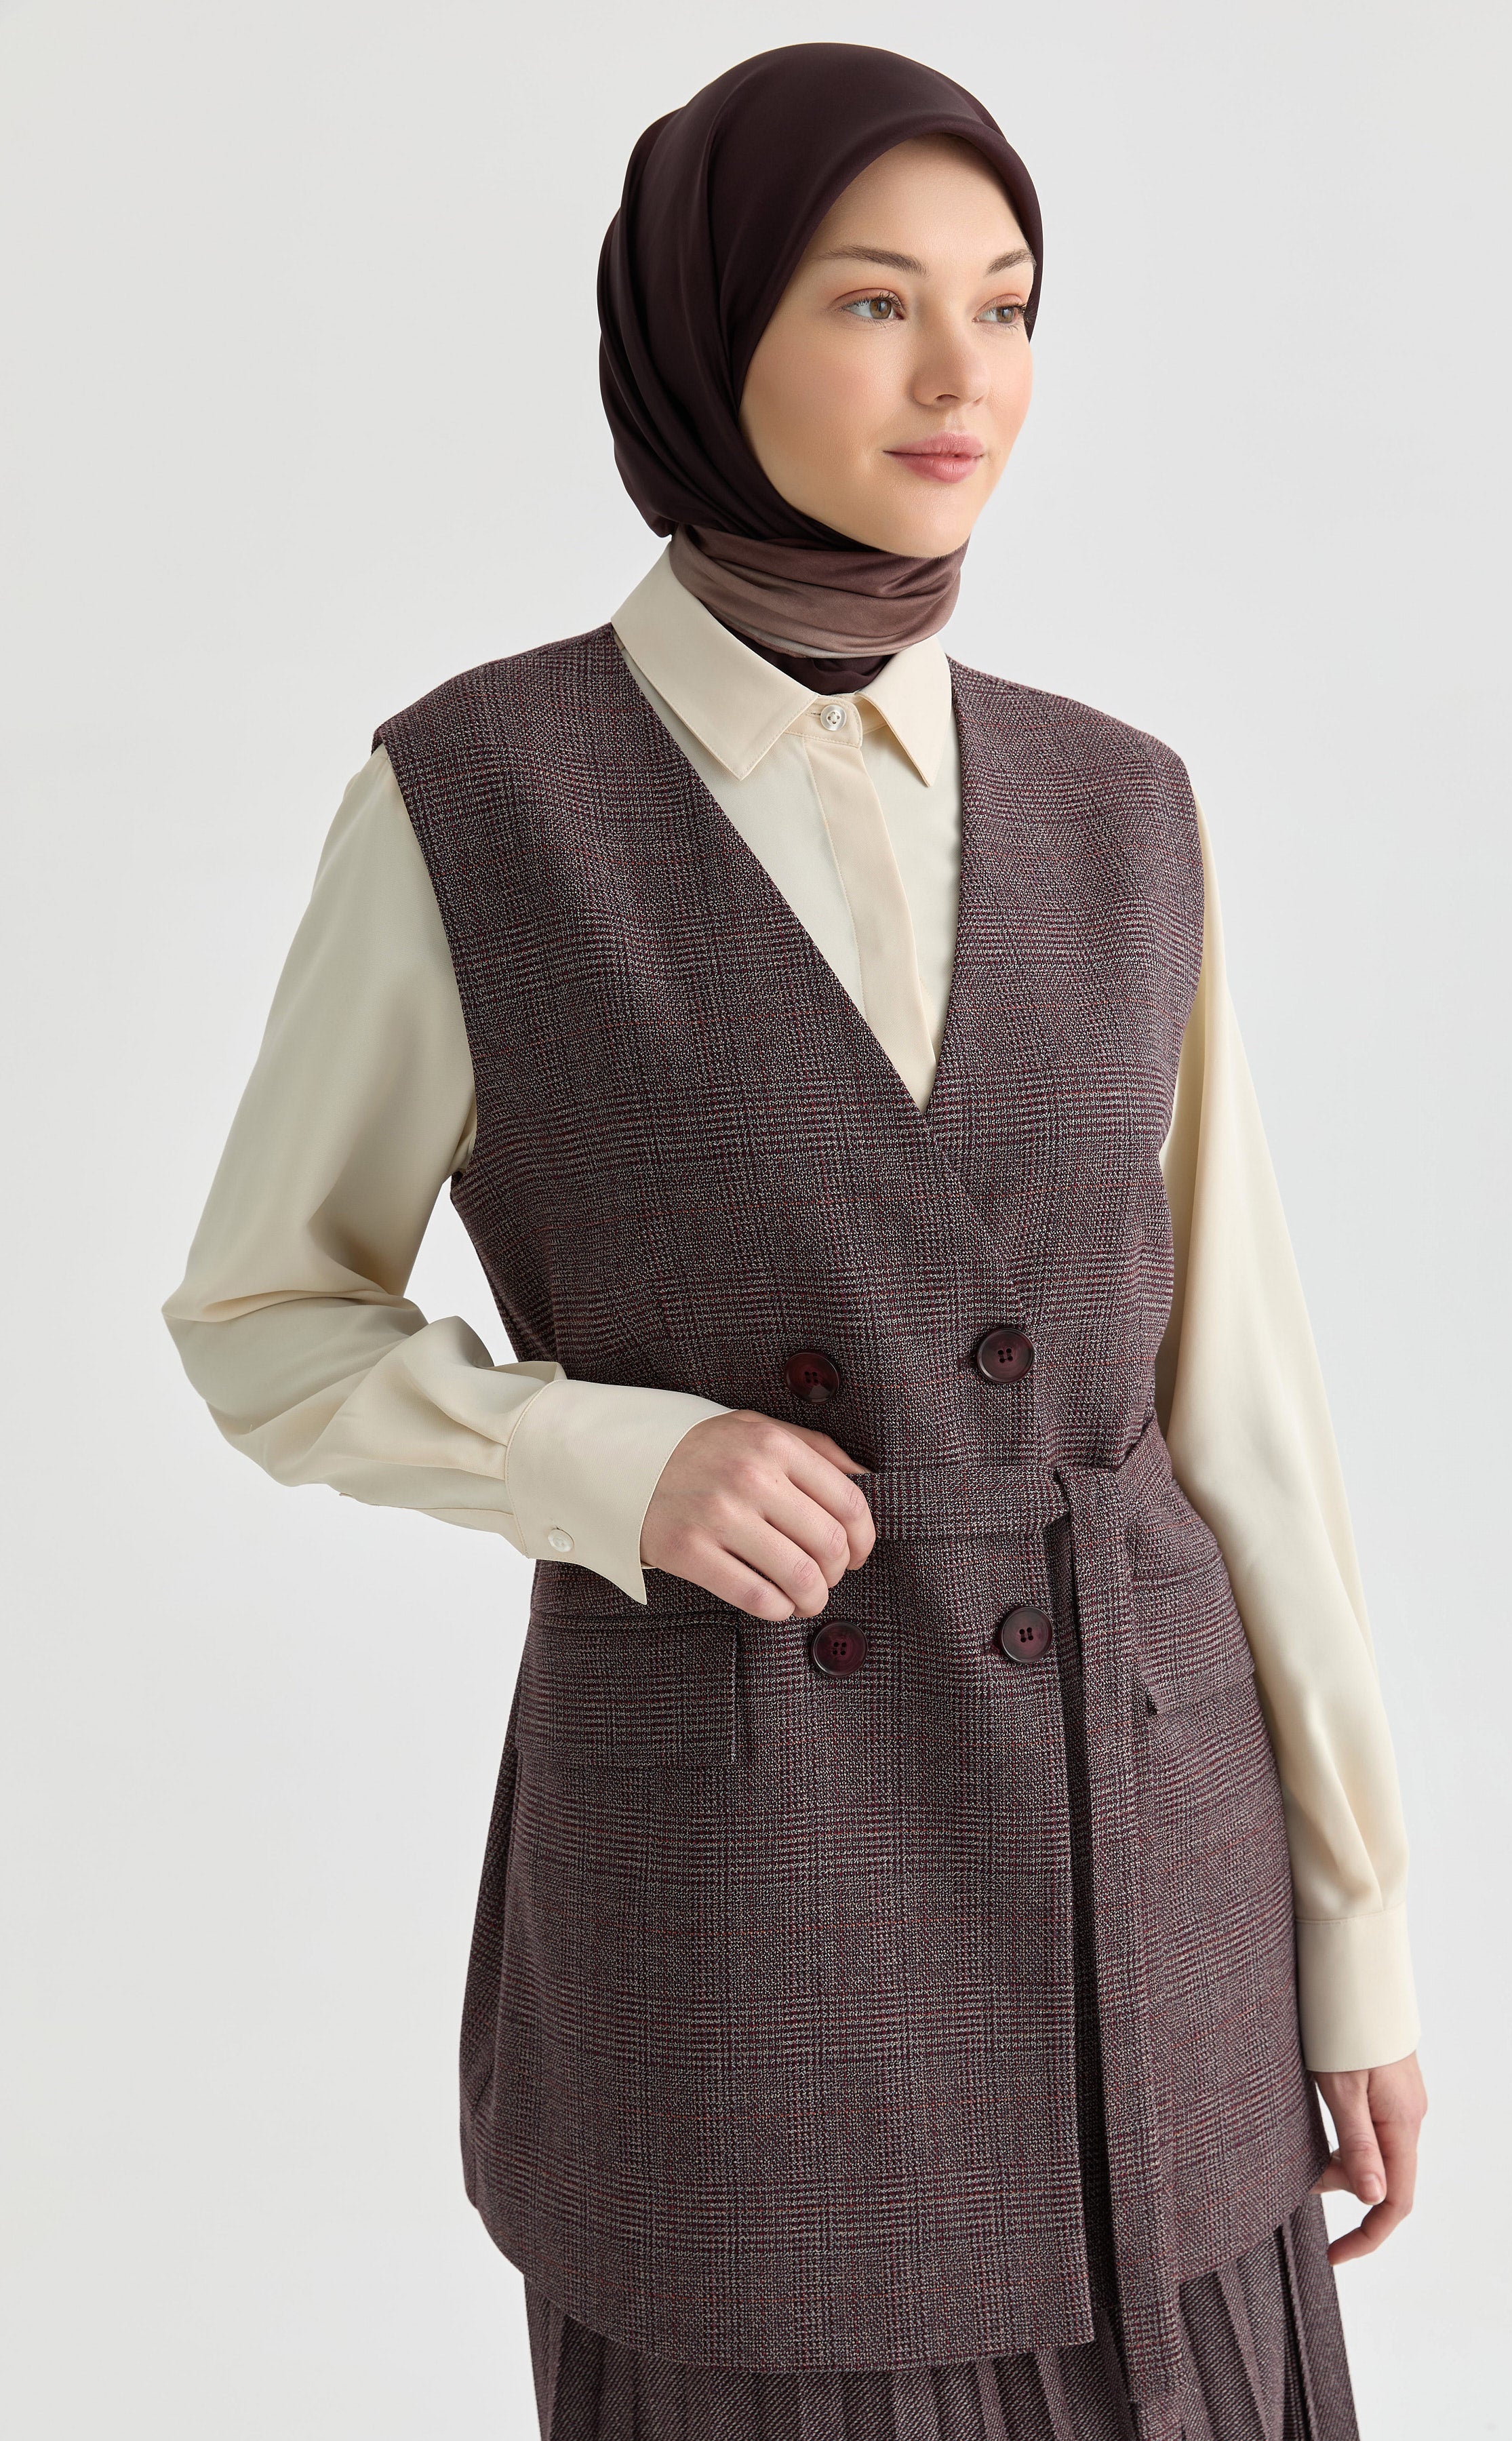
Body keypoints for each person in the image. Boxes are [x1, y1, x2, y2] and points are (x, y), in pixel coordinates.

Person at [164, 42, 1427, 2441]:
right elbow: (261, 1315)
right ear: (705, 330)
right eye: (874, 302)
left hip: (1153, 1894)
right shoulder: (479, 803)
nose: (966, 378)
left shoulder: (1126, 805)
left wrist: (1354, 1930)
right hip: (751, 1935)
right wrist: (598, 1461)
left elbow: (1242, 1408)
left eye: (1008, 303)